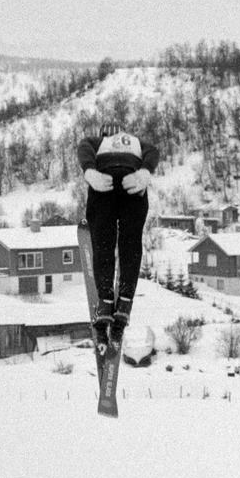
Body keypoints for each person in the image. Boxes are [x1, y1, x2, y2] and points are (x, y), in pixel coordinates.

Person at [77, 120, 160, 348]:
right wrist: (145, 171)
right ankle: (124, 303)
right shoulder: (136, 142)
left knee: (103, 244)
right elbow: (153, 150)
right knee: (130, 244)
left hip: (103, 184)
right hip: (132, 182)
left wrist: (89, 171)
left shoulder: (98, 141)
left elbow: (84, 146)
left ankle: (105, 302)